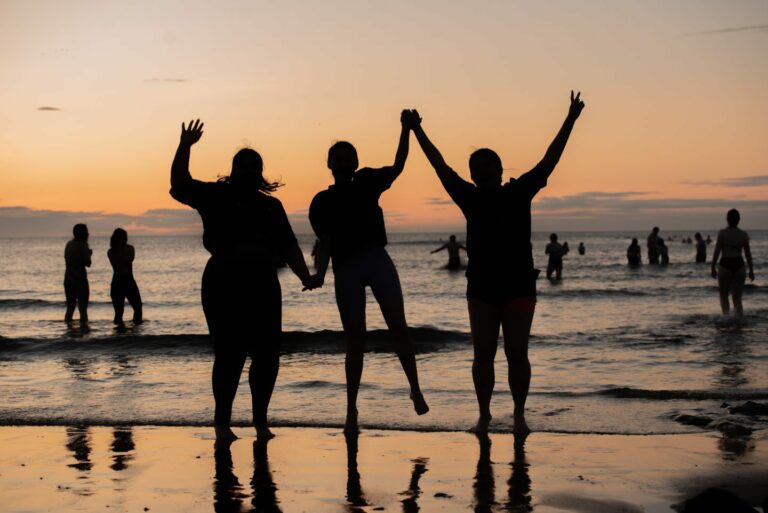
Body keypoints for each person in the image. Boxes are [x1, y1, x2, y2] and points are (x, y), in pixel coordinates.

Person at [406, 91, 586, 434]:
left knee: (517, 353)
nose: (483, 172)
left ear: (500, 171)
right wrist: (417, 132)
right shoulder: (468, 196)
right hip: (483, 287)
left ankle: (519, 414)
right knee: (483, 354)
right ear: (473, 174)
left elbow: (550, 160)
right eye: (478, 168)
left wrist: (570, 121)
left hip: (518, 283)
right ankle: (485, 415)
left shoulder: (519, 191)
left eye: (489, 167)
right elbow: (439, 164)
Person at [169, 119, 319, 441]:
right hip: (223, 280)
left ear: (261, 173)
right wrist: (185, 146)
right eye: (245, 166)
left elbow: (289, 245)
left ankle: (260, 422)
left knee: (267, 355)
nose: (251, 171)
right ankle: (222, 424)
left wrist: (305, 275)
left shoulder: (271, 206)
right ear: (234, 170)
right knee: (230, 354)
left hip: (263, 283)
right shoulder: (215, 195)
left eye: (256, 167)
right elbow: (180, 184)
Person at [309, 112, 429, 433]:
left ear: (356, 162)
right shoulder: (322, 201)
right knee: (355, 342)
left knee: (398, 327)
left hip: (377, 259)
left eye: (350, 159)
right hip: (346, 268)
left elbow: (398, 165)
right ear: (330, 165)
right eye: (339, 159)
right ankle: (351, 409)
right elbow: (326, 242)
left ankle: (415, 388)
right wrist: (319, 275)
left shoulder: (367, 180)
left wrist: (405, 130)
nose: (345, 163)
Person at [711, 209, 755, 317]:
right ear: (739, 220)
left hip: (725, 263)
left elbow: (717, 251)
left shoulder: (722, 233)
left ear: (727, 219)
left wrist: (712, 266)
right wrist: (751, 271)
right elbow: (748, 254)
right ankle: (738, 318)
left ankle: (726, 316)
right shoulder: (743, 234)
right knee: (737, 297)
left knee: (723, 294)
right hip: (739, 264)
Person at [107, 228, 143, 325]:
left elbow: (129, 260)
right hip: (121, 280)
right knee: (119, 311)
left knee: (138, 307)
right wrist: (121, 250)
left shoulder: (130, 248)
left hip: (127, 280)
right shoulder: (111, 252)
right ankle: (120, 334)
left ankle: (136, 329)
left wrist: (121, 250)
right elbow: (117, 263)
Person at [64, 223, 92, 324]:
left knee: (70, 309)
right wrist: (89, 253)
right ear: (83, 234)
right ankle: (84, 332)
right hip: (80, 279)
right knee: (83, 309)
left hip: (68, 278)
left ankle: (69, 331)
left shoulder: (69, 244)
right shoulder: (83, 245)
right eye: (86, 232)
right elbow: (88, 263)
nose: (88, 234)